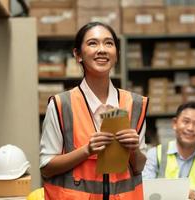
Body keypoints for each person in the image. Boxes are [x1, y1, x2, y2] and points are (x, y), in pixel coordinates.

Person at [39, 22, 148, 200]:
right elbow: (46, 166)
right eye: (92, 43)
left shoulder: (135, 104)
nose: (102, 49)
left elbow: (139, 167)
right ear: (78, 55)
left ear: (117, 54)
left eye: (109, 43)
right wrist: (87, 150)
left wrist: (134, 150)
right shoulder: (61, 105)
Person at [142, 102, 195, 199]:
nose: (190, 128)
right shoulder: (155, 154)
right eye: (186, 122)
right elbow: (145, 185)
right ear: (175, 123)